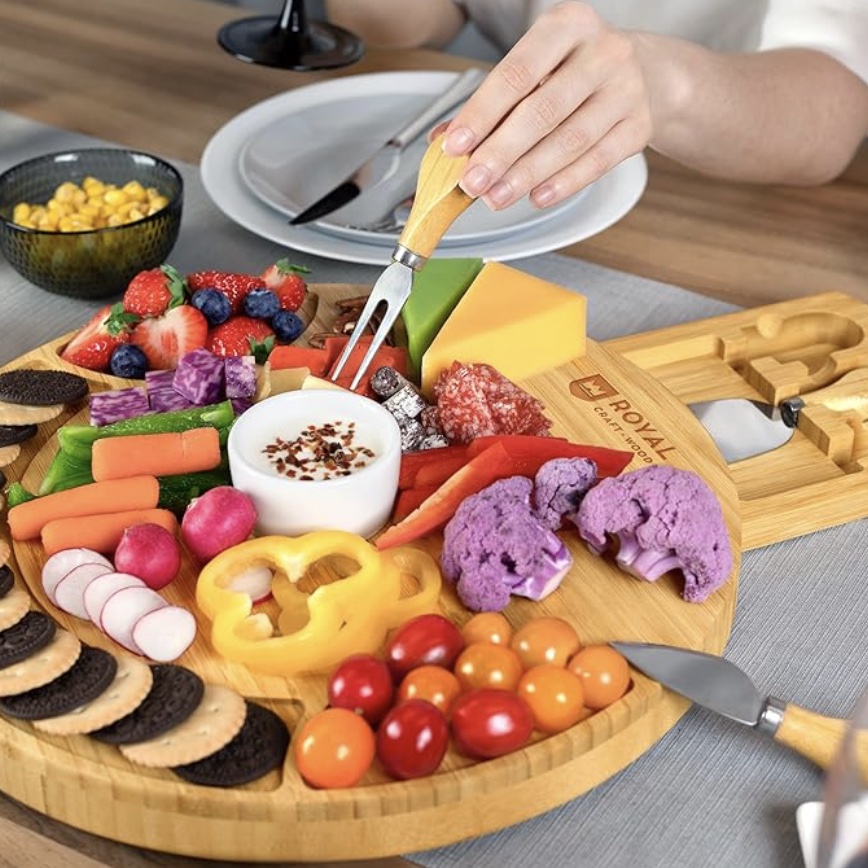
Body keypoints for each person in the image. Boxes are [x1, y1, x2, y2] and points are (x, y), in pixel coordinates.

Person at [324, 0, 868, 212]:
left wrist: (664, 83)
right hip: (522, 204)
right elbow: (407, 21)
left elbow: (834, 107)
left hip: (714, 211)